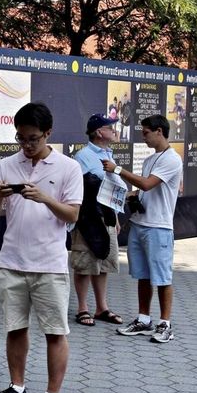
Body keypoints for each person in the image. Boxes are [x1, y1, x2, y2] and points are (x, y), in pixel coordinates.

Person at [0, 102, 83, 393]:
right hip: (11, 260)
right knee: (15, 328)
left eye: (33, 139)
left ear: (48, 134)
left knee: (55, 331)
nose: (26, 145)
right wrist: (0, 195)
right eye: (21, 138)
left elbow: (72, 214)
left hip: (49, 263)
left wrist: (44, 197)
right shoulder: (7, 165)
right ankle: (17, 388)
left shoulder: (68, 167)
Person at [101, 114, 183, 343]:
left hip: (159, 227)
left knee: (163, 278)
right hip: (139, 223)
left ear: (159, 131)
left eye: (146, 132)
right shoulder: (150, 160)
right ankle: (144, 319)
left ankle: (165, 324)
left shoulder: (172, 159)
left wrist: (117, 170)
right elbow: (143, 190)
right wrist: (123, 197)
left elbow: (147, 184)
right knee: (143, 276)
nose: (143, 137)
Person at [70, 113, 123, 327]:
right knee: (84, 264)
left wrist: (116, 217)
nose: (115, 131)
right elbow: (76, 190)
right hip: (87, 219)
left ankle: (102, 308)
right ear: (100, 132)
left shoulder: (110, 155)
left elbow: (113, 189)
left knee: (103, 264)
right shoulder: (82, 156)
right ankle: (82, 308)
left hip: (107, 216)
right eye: (111, 127)